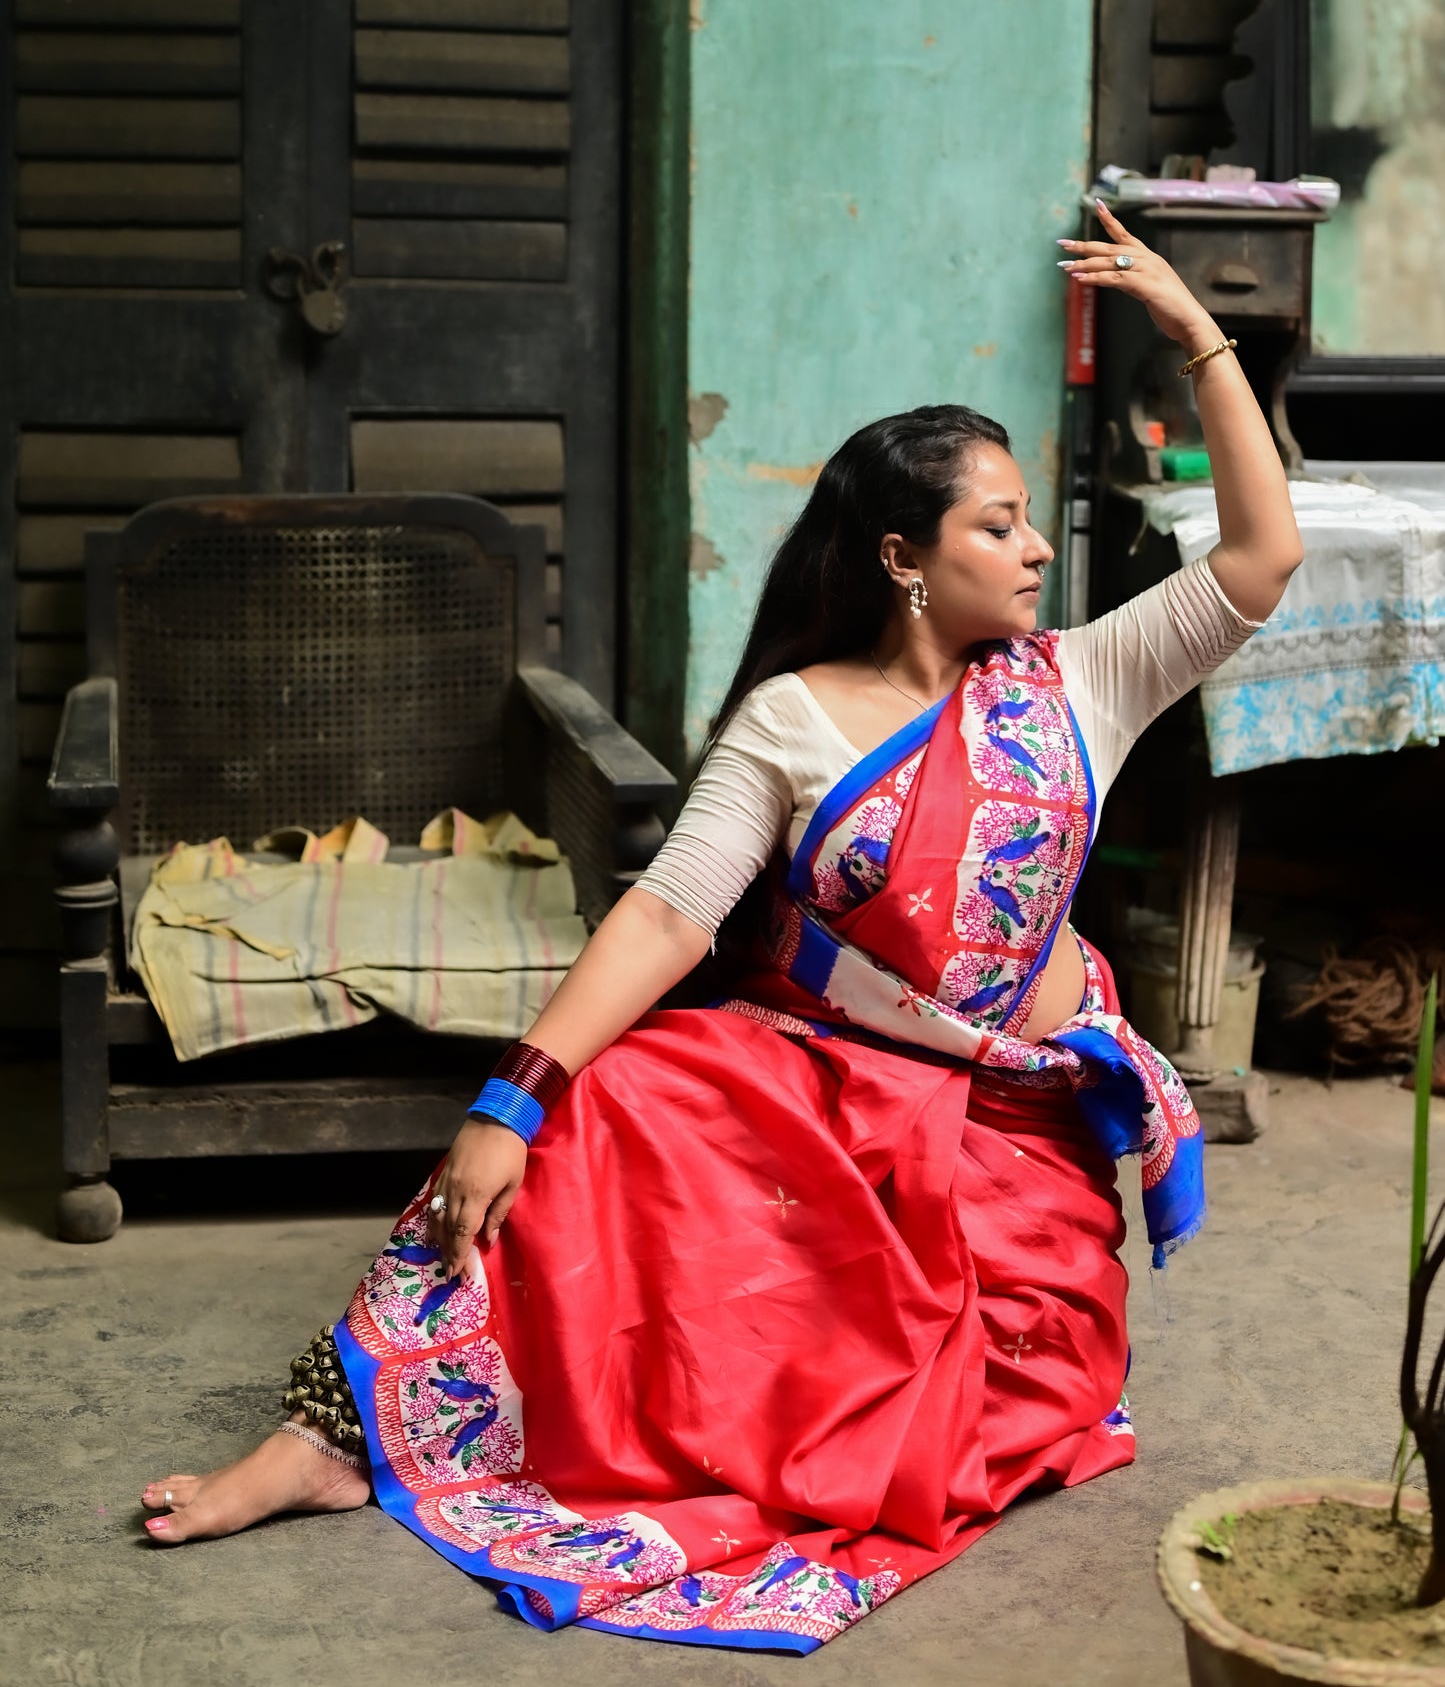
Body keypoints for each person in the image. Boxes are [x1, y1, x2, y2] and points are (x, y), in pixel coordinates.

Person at [139, 206, 1302, 1655]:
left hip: (1009, 1133)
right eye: (991, 525)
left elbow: (1262, 553)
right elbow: (671, 912)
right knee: (605, 1103)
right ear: (899, 555)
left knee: (982, 1409)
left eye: (1023, 519)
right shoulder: (792, 719)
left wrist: (1194, 337)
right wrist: (511, 1097)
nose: (1027, 552)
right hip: (828, 1080)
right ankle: (337, 1434)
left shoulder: (1080, 680)